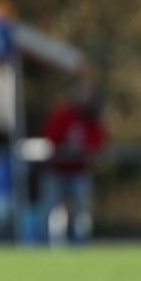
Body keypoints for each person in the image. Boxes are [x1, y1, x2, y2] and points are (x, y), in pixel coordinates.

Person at [41, 83, 106, 245]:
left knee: (82, 210)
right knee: (54, 209)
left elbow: (98, 143)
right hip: (57, 170)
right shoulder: (63, 114)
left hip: (80, 171)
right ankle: (54, 244)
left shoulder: (92, 118)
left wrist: (83, 150)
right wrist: (66, 147)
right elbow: (51, 138)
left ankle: (81, 242)